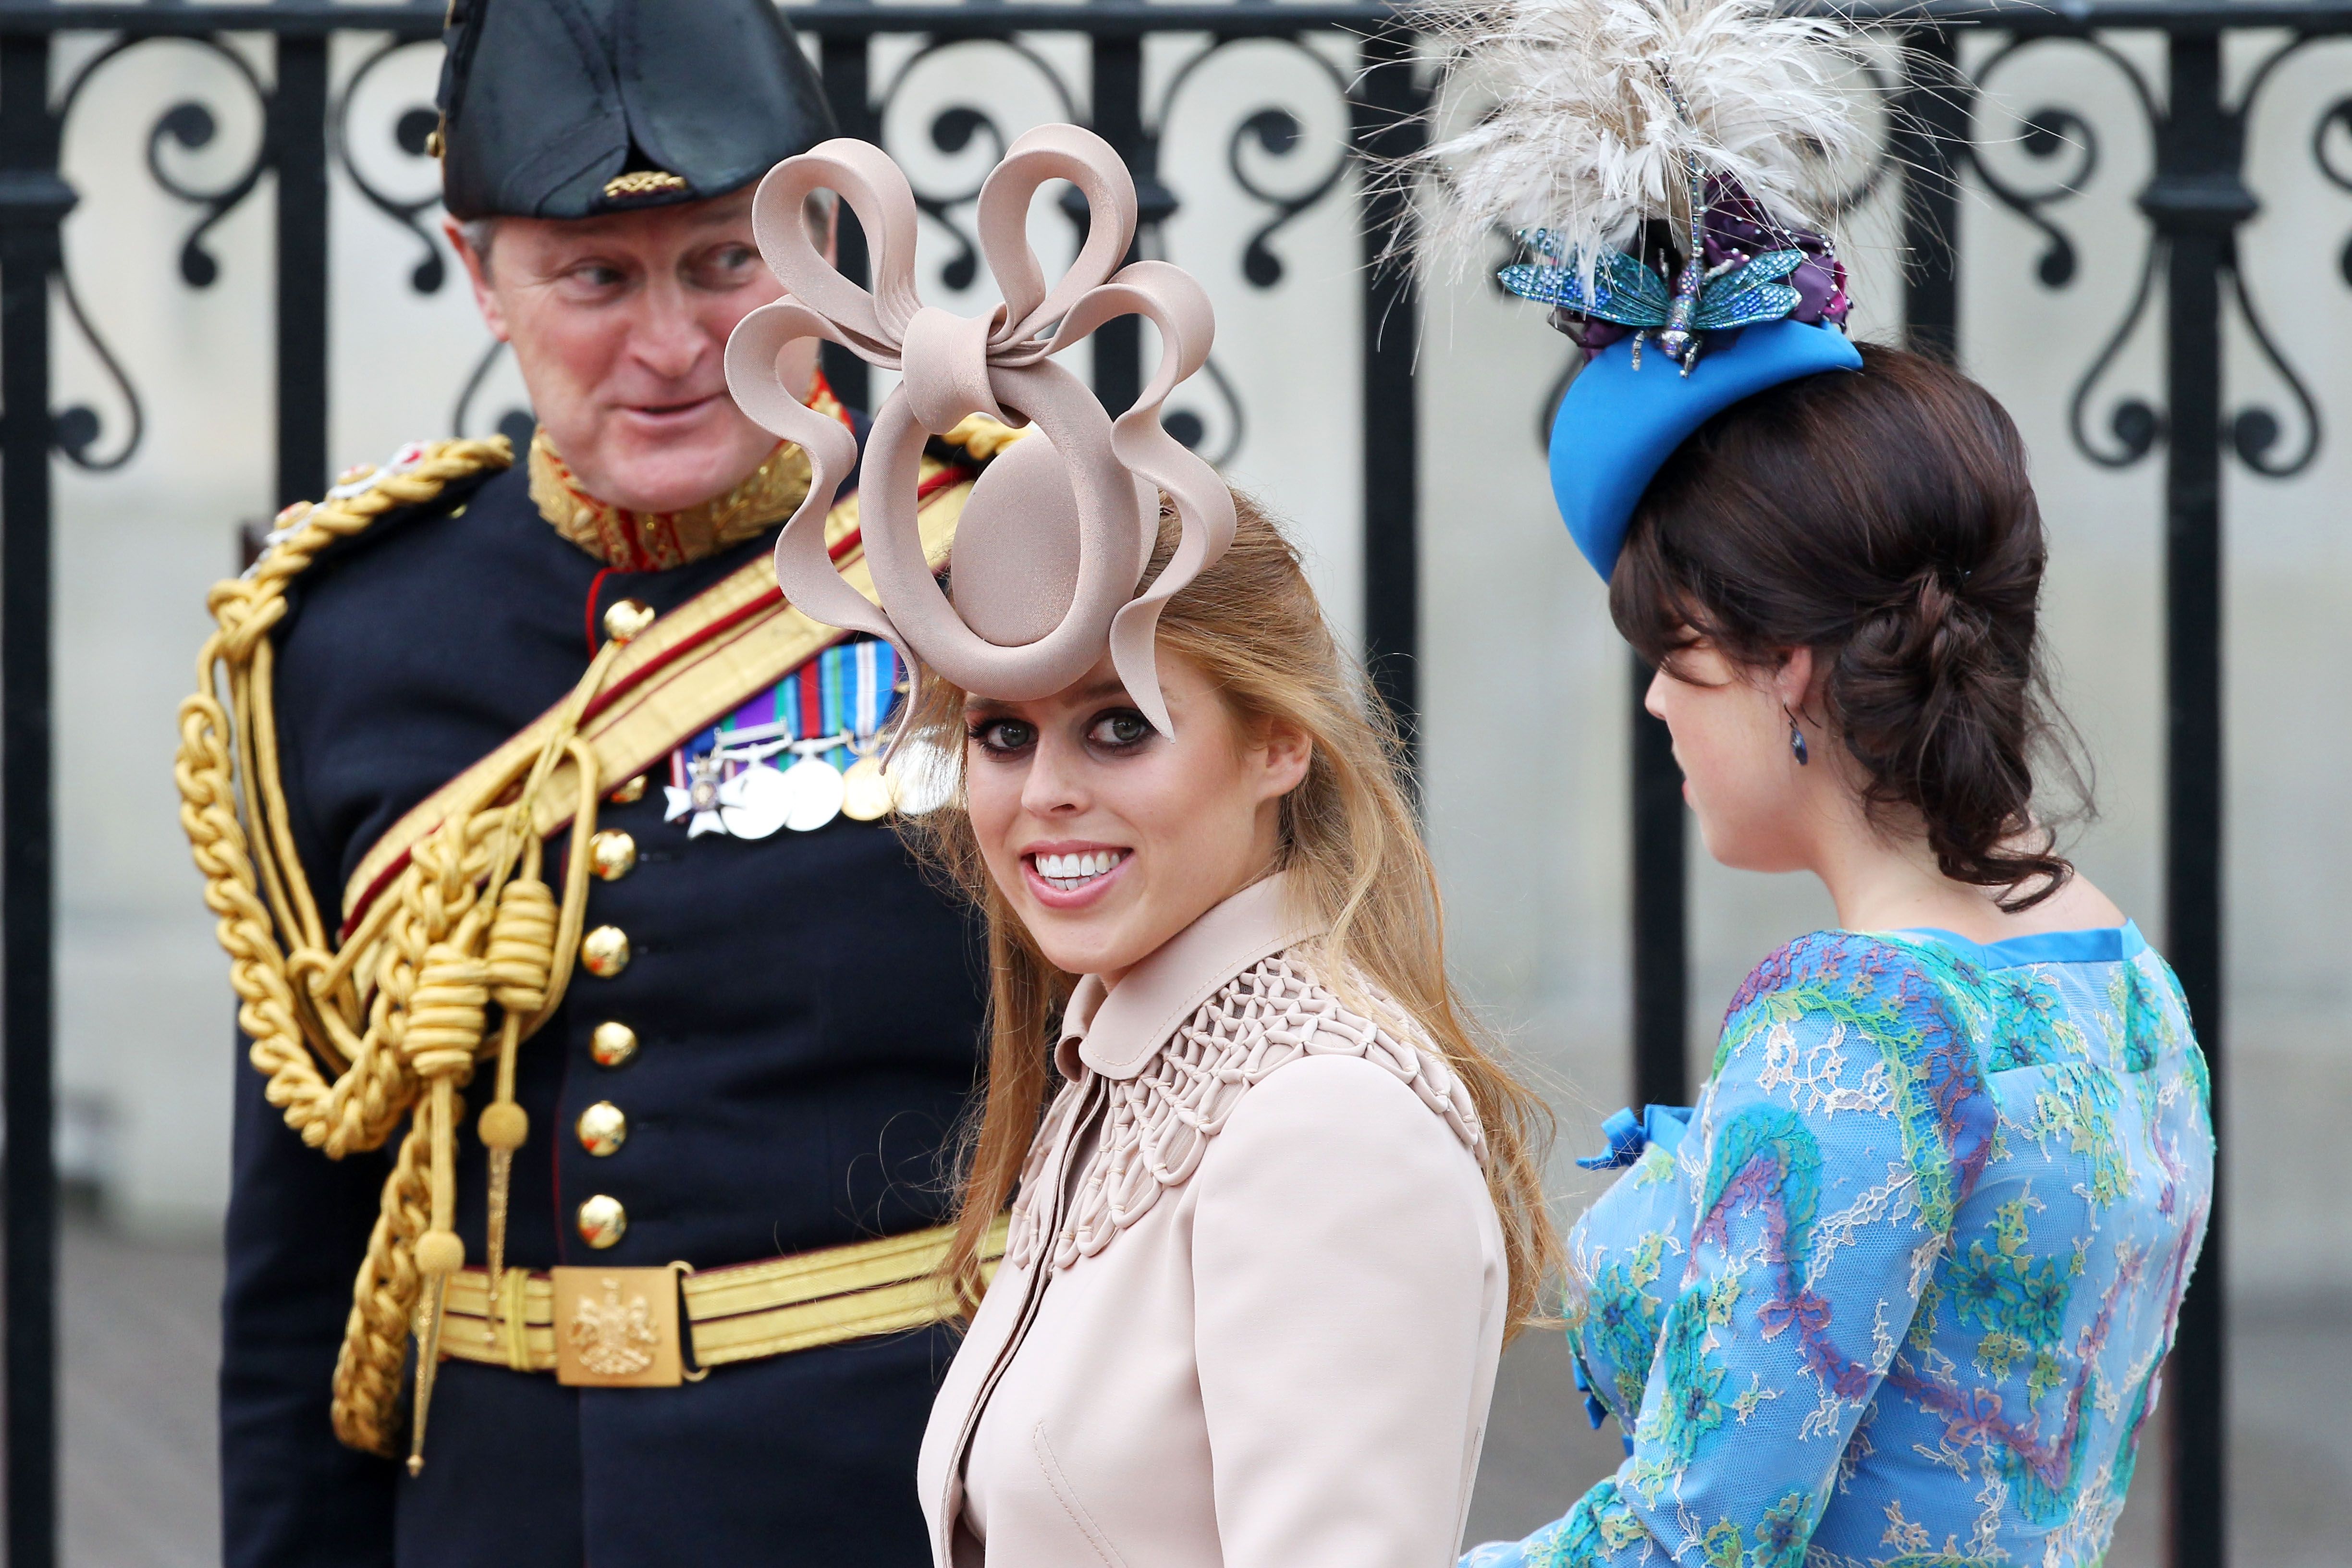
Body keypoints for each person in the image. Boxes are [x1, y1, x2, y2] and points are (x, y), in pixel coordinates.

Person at [175, 3, 1017, 1565]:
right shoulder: (346, 639)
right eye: (593, 279)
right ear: (476, 270)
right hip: (495, 1511)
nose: (672, 345)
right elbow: (305, 1259)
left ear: (823, 240)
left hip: (894, 1495)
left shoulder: (995, 563)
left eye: (723, 263)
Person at [1409, 1, 2217, 1562]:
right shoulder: (2126, 989)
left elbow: (1695, 1540)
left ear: (1787, 665)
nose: (1654, 701)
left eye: (1682, 653)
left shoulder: (1868, 1029)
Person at [723, 124, 1560, 1568]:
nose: (1044, 790)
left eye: (1119, 727)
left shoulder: (1317, 1123)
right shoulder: (1132, 1059)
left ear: (1279, 741)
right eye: (1000, 733)